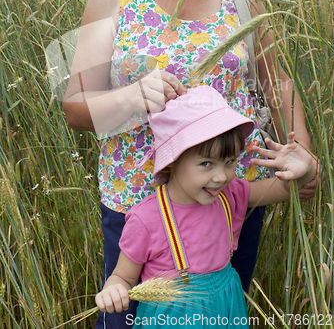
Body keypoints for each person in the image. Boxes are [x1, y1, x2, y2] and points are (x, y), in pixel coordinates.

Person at [62, 0, 317, 328]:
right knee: (130, 319)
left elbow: (274, 79)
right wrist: (133, 97)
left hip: (229, 195)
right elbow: (75, 106)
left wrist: (300, 152)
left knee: (219, 313)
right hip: (138, 204)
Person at [95, 86, 316, 328]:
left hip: (226, 309)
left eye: (229, 162)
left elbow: (285, 189)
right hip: (171, 318)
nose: (221, 176)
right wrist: (113, 289)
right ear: (173, 160)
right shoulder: (146, 219)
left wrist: (305, 172)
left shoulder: (231, 195)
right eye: (206, 164)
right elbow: (122, 277)